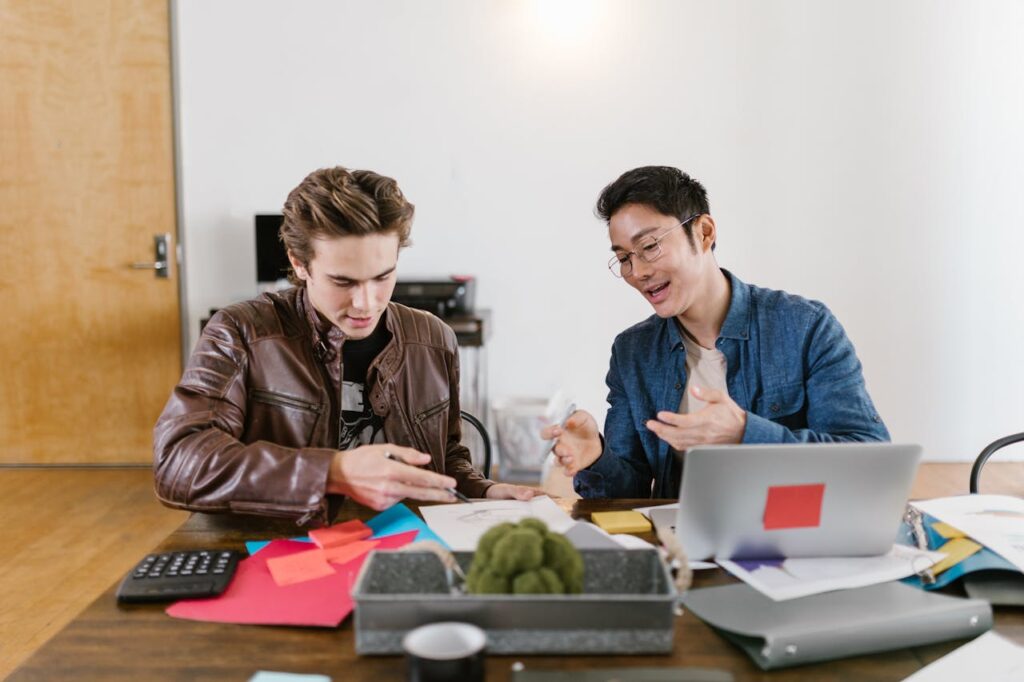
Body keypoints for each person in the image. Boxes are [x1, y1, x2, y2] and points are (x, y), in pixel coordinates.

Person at [154, 166, 535, 525]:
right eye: (343, 282)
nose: (366, 303)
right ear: (299, 264)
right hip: (288, 548)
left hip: (405, 546)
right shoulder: (241, 332)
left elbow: (446, 460)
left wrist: (485, 489)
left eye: (382, 276)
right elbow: (177, 461)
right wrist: (332, 473)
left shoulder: (434, 339)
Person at [543, 166, 890, 499]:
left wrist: (744, 432)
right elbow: (628, 493)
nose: (638, 272)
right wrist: (596, 457)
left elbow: (869, 459)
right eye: (624, 258)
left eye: (650, 246)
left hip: (793, 537)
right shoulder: (633, 352)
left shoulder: (804, 327)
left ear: (704, 232)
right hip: (681, 546)